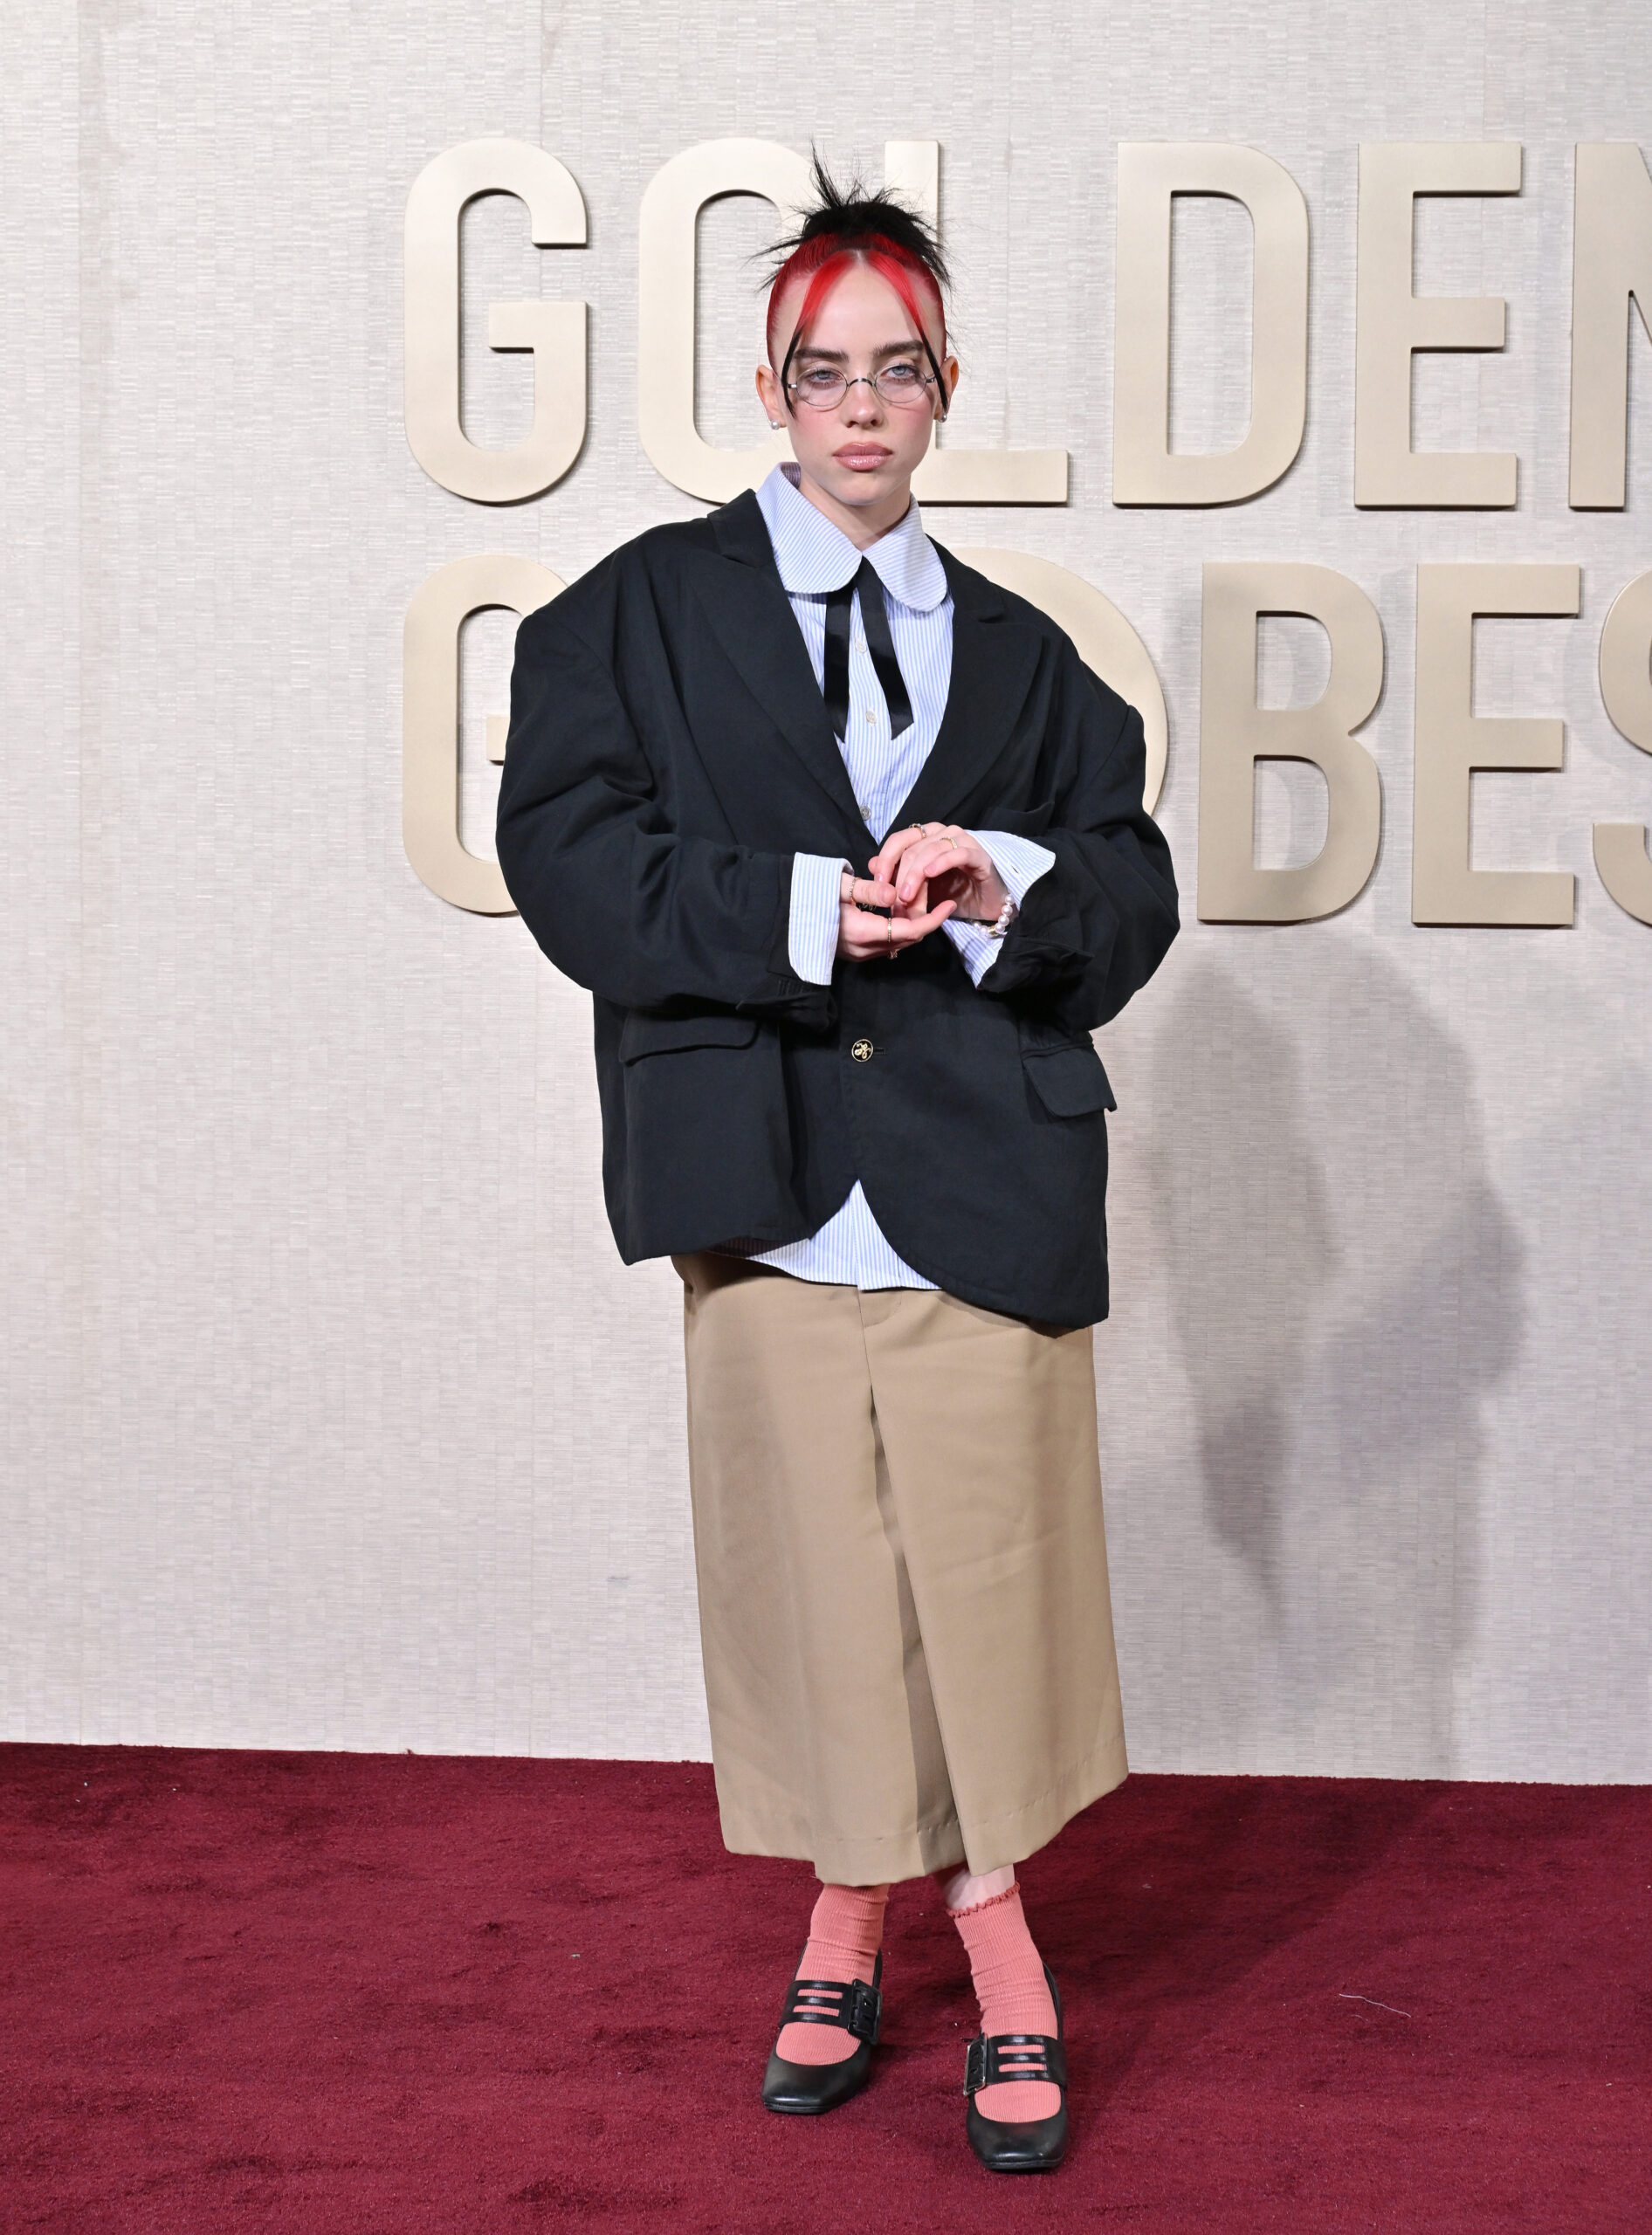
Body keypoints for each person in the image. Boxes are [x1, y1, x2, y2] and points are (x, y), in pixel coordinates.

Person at [496, 160, 1179, 2173]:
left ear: (944, 388)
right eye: (822, 372)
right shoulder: (625, 617)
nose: (860, 408)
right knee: (815, 1578)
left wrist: (1001, 884)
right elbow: (573, 866)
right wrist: (806, 909)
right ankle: (882, 1906)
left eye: (897, 372)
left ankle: (944, 1915)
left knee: (986, 1572)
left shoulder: (1031, 656)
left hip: (984, 1166)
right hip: (770, 1172)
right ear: (771, 391)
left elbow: (1129, 890)